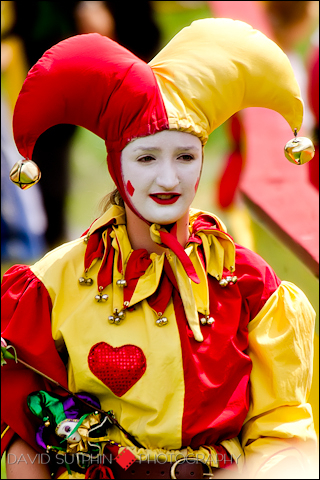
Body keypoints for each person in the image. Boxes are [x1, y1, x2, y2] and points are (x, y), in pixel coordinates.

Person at [1, 19, 317, 479]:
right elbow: (26, 435)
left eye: (185, 157)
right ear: (116, 163)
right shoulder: (55, 284)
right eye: (147, 158)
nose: (168, 180)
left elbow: (284, 430)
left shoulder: (250, 286)